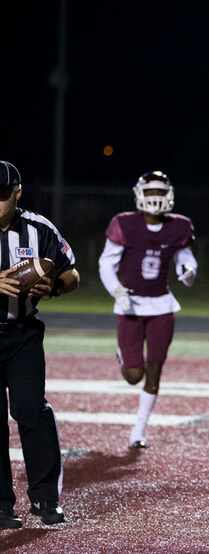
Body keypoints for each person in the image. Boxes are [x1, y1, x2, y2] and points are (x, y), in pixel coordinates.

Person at [0, 160, 80, 528]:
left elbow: (71, 273)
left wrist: (55, 287)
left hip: (23, 333)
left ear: (18, 193)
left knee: (32, 411)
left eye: (1, 197)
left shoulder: (38, 228)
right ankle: (1, 504)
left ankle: (46, 498)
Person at [98, 171, 197, 449]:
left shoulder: (179, 226)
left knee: (155, 368)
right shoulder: (124, 223)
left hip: (161, 304)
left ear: (169, 195)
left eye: (160, 193)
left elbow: (184, 257)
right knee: (133, 375)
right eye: (151, 192)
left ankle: (138, 432)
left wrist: (188, 271)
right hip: (130, 303)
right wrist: (117, 290)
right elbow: (106, 263)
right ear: (140, 195)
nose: (155, 198)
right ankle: (123, 357)